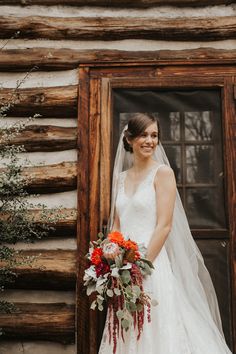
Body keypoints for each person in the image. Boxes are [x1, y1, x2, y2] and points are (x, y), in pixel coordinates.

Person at [98, 113, 232, 354]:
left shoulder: (163, 174)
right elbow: (117, 224)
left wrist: (140, 263)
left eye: (154, 135)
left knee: (154, 326)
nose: (150, 141)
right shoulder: (120, 178)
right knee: (126, 328)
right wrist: (108, 255)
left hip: (151, 264)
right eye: (143, 135)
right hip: (123, 271)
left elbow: (164, 225)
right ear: (129, 139)